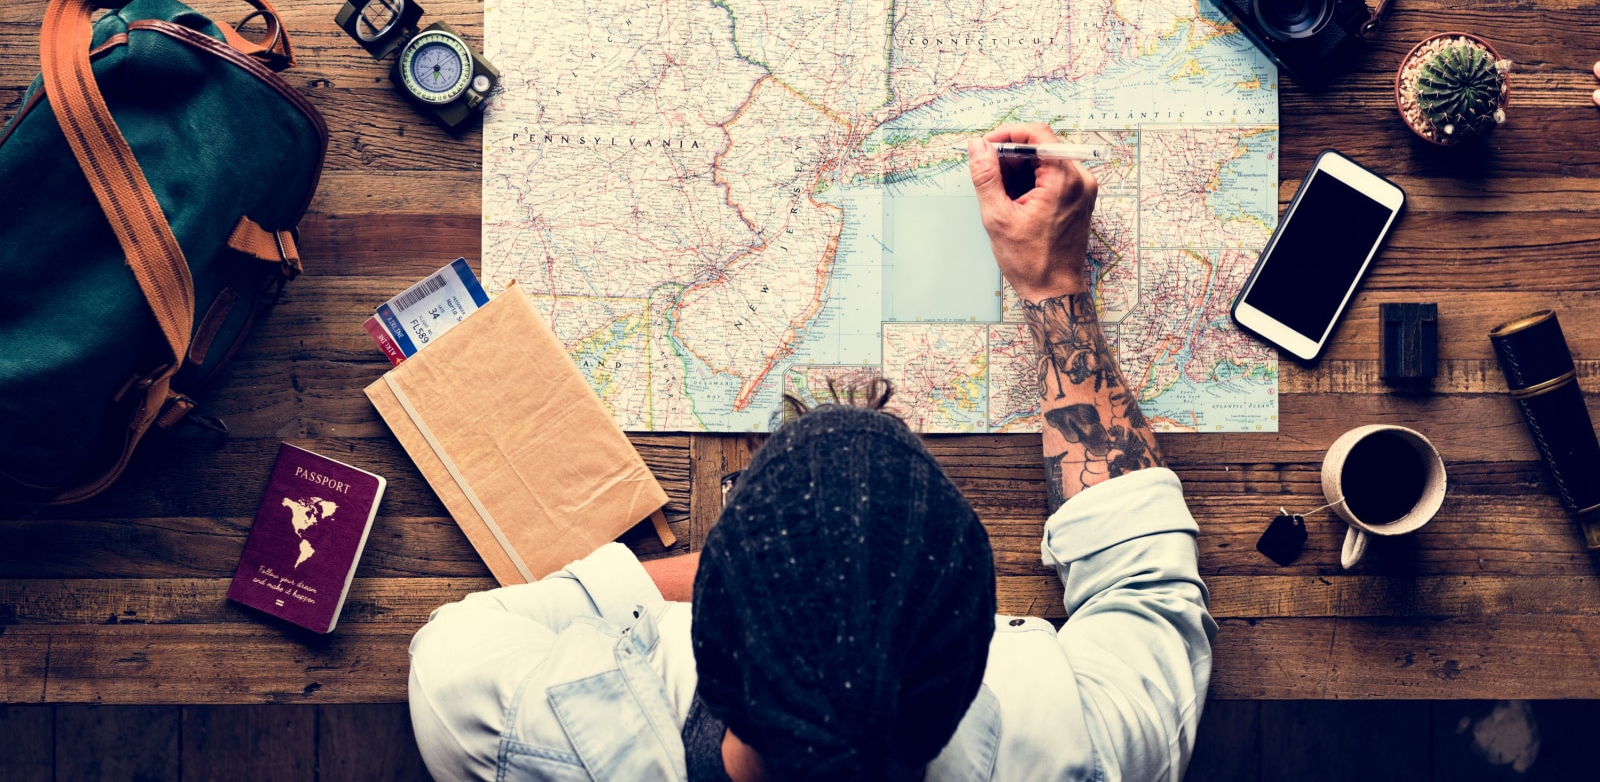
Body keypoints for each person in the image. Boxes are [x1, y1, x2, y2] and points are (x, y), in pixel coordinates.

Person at [407, 123, 1217, 781]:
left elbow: (506, 622)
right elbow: (1144, 589)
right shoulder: (1097, 746)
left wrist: (794, 574)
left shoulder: (488, 708)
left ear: (703, 623)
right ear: (979, 640)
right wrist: (1055, 288)